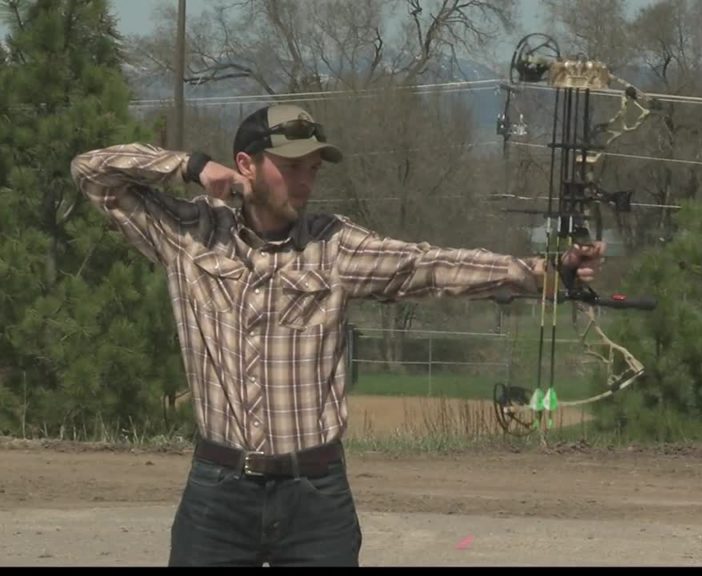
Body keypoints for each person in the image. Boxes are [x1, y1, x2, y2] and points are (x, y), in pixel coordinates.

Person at [70, 103, 604, 567]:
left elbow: (429, 266)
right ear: (245, 166)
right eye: (290, 168)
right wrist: (190, 166)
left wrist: (542, 272)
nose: (305, 182)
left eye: (313, 169)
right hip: (217, 492)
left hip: (315, 497)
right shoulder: (189, 236)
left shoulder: (334, 246)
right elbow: (92, 172)